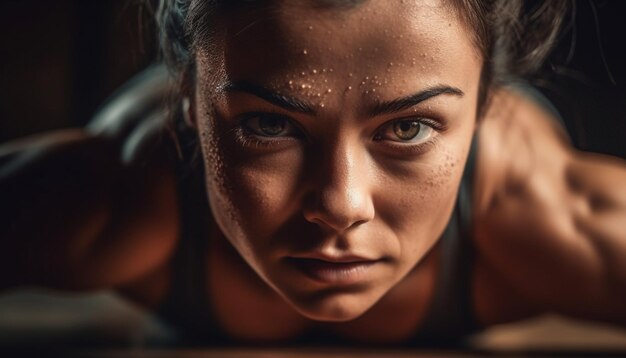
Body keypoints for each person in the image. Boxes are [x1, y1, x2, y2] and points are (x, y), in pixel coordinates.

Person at [1, 0, 625, 347]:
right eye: (269, 127)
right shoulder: (117, 202)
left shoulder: (542, 214)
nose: (340, 203)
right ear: (189, 103)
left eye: (407, 129)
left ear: (487, 107)